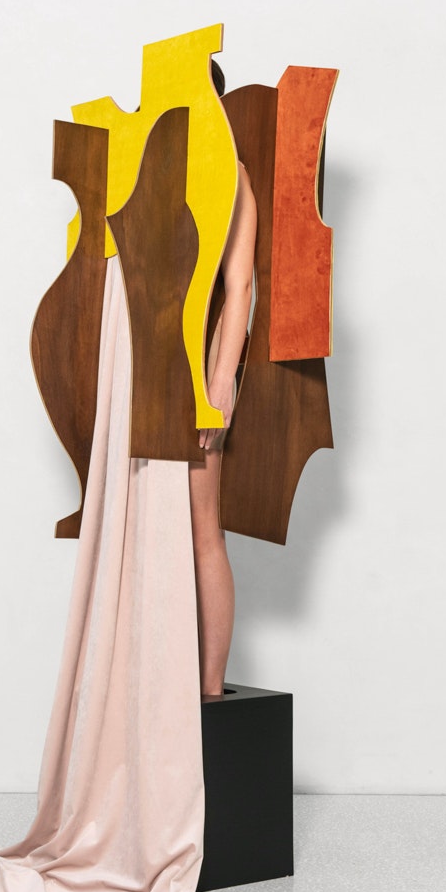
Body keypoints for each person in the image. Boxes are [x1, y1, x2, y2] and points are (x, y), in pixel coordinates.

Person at [188, 61, 258, 698]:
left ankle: (211, 691)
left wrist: (220, 381)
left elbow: (239, 288)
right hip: (147, 372)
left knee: (202, 527)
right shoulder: (150, 173)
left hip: (197, 371)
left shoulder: (231, 176)